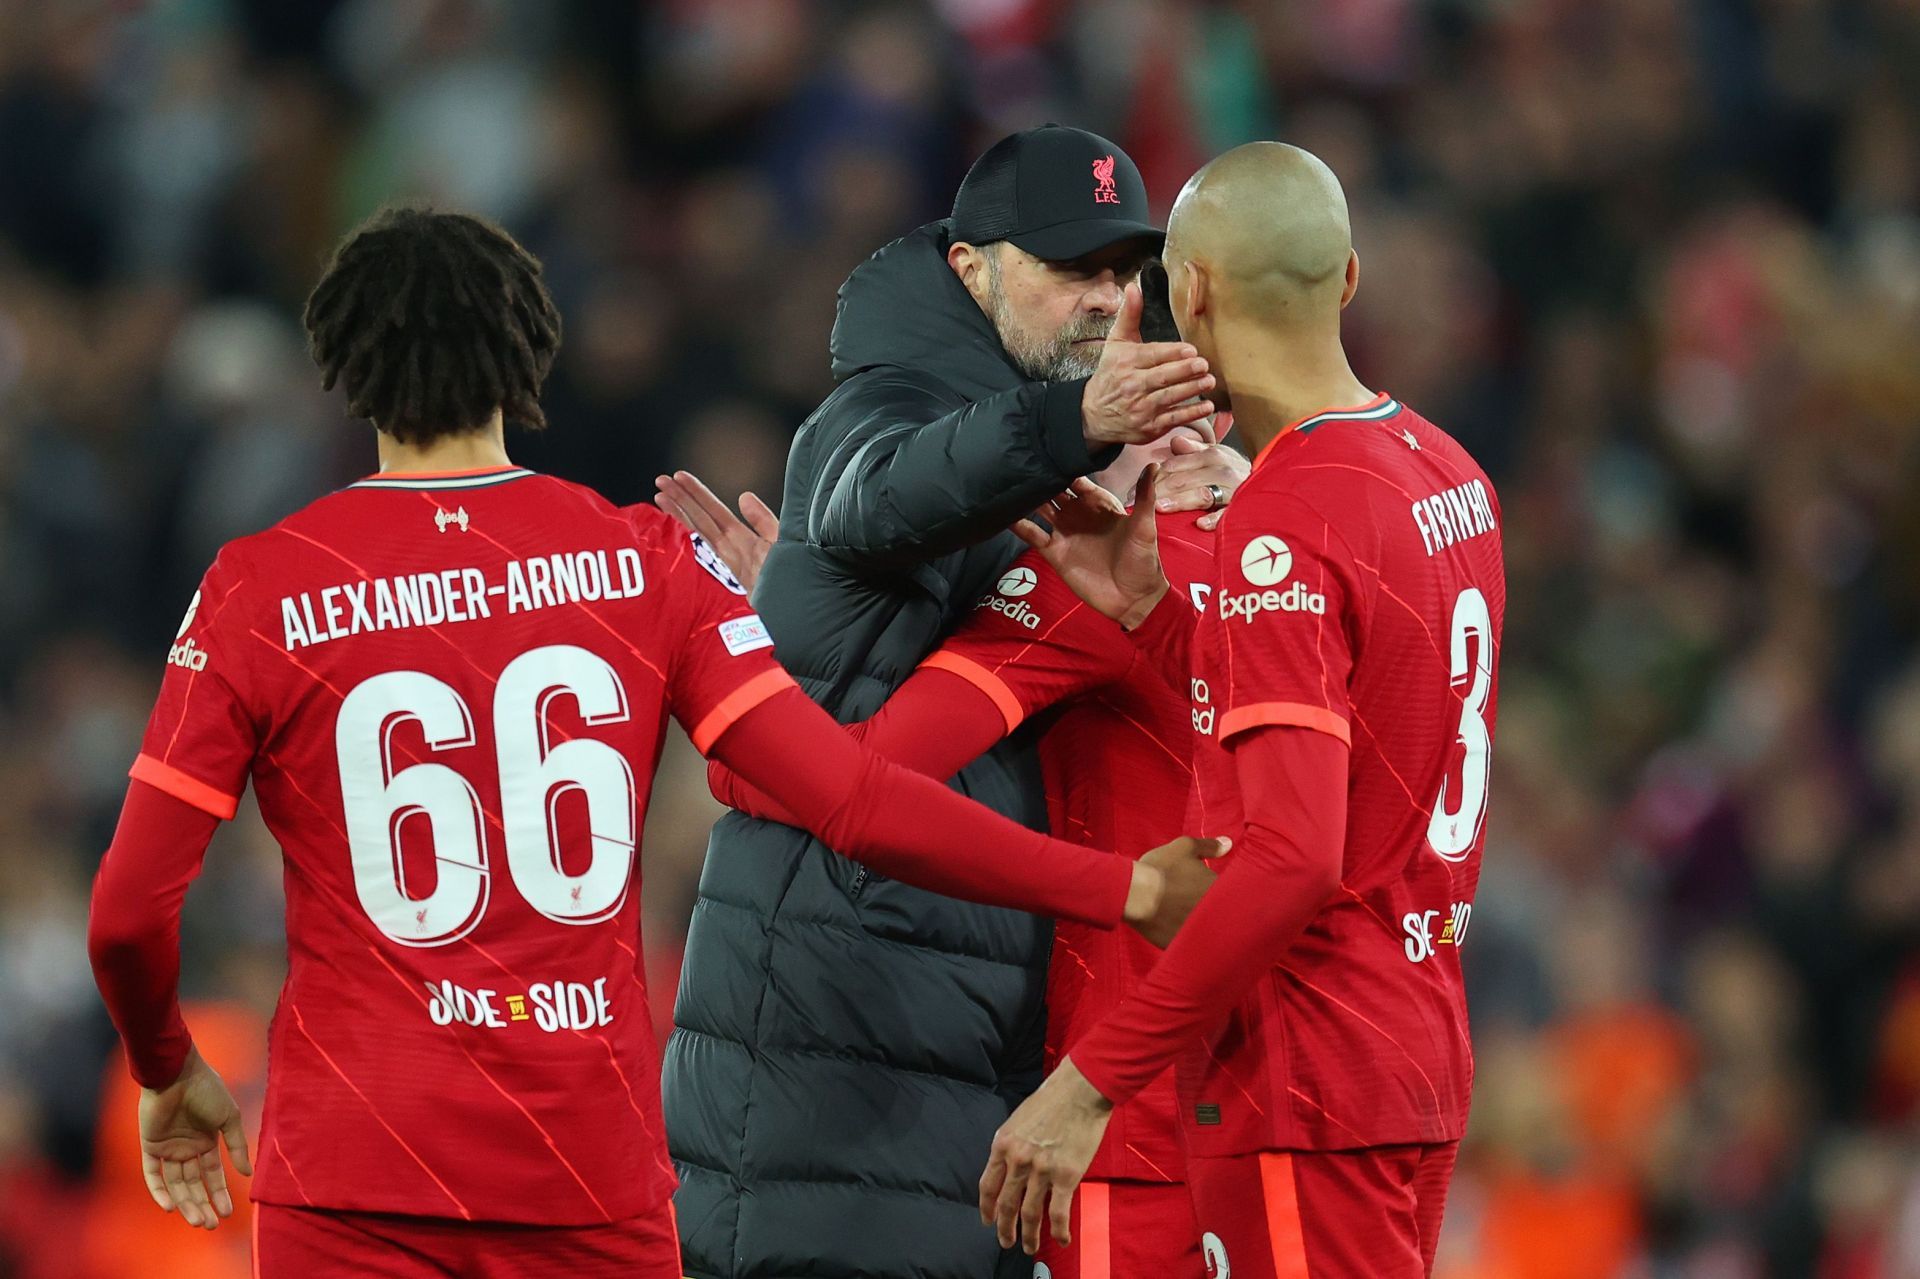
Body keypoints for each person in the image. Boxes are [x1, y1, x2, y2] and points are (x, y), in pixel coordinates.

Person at [82, 207, 1221, 1278]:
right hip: (586, 1171)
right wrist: (1119, 888)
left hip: (357, 1166)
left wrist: (167, 1065)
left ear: (342, 369)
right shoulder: (642, 560)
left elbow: (130, 911)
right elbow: (857, 802)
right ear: (530, 360)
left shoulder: (261, 586)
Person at [659, 125, 1248, 1279]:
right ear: (971, 269)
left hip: (944, 1053)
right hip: (838, 1064)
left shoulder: (1094, 517)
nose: (1104, 300)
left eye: (1122, 274)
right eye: (1069, 267)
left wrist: (779, 659)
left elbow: (822, 754)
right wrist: (1079, 429)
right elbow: (886, 498)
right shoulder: (883, 412)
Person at [978, 142, 1506, 1278]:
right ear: (1350, 278)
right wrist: (1161, 619)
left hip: (1306, 1076)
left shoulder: (1291, 517)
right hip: (1414, 1051)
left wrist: (1088, 1082)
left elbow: (1291, 859)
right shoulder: (1448, 471)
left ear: (1195, 291)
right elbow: (1369, 740)